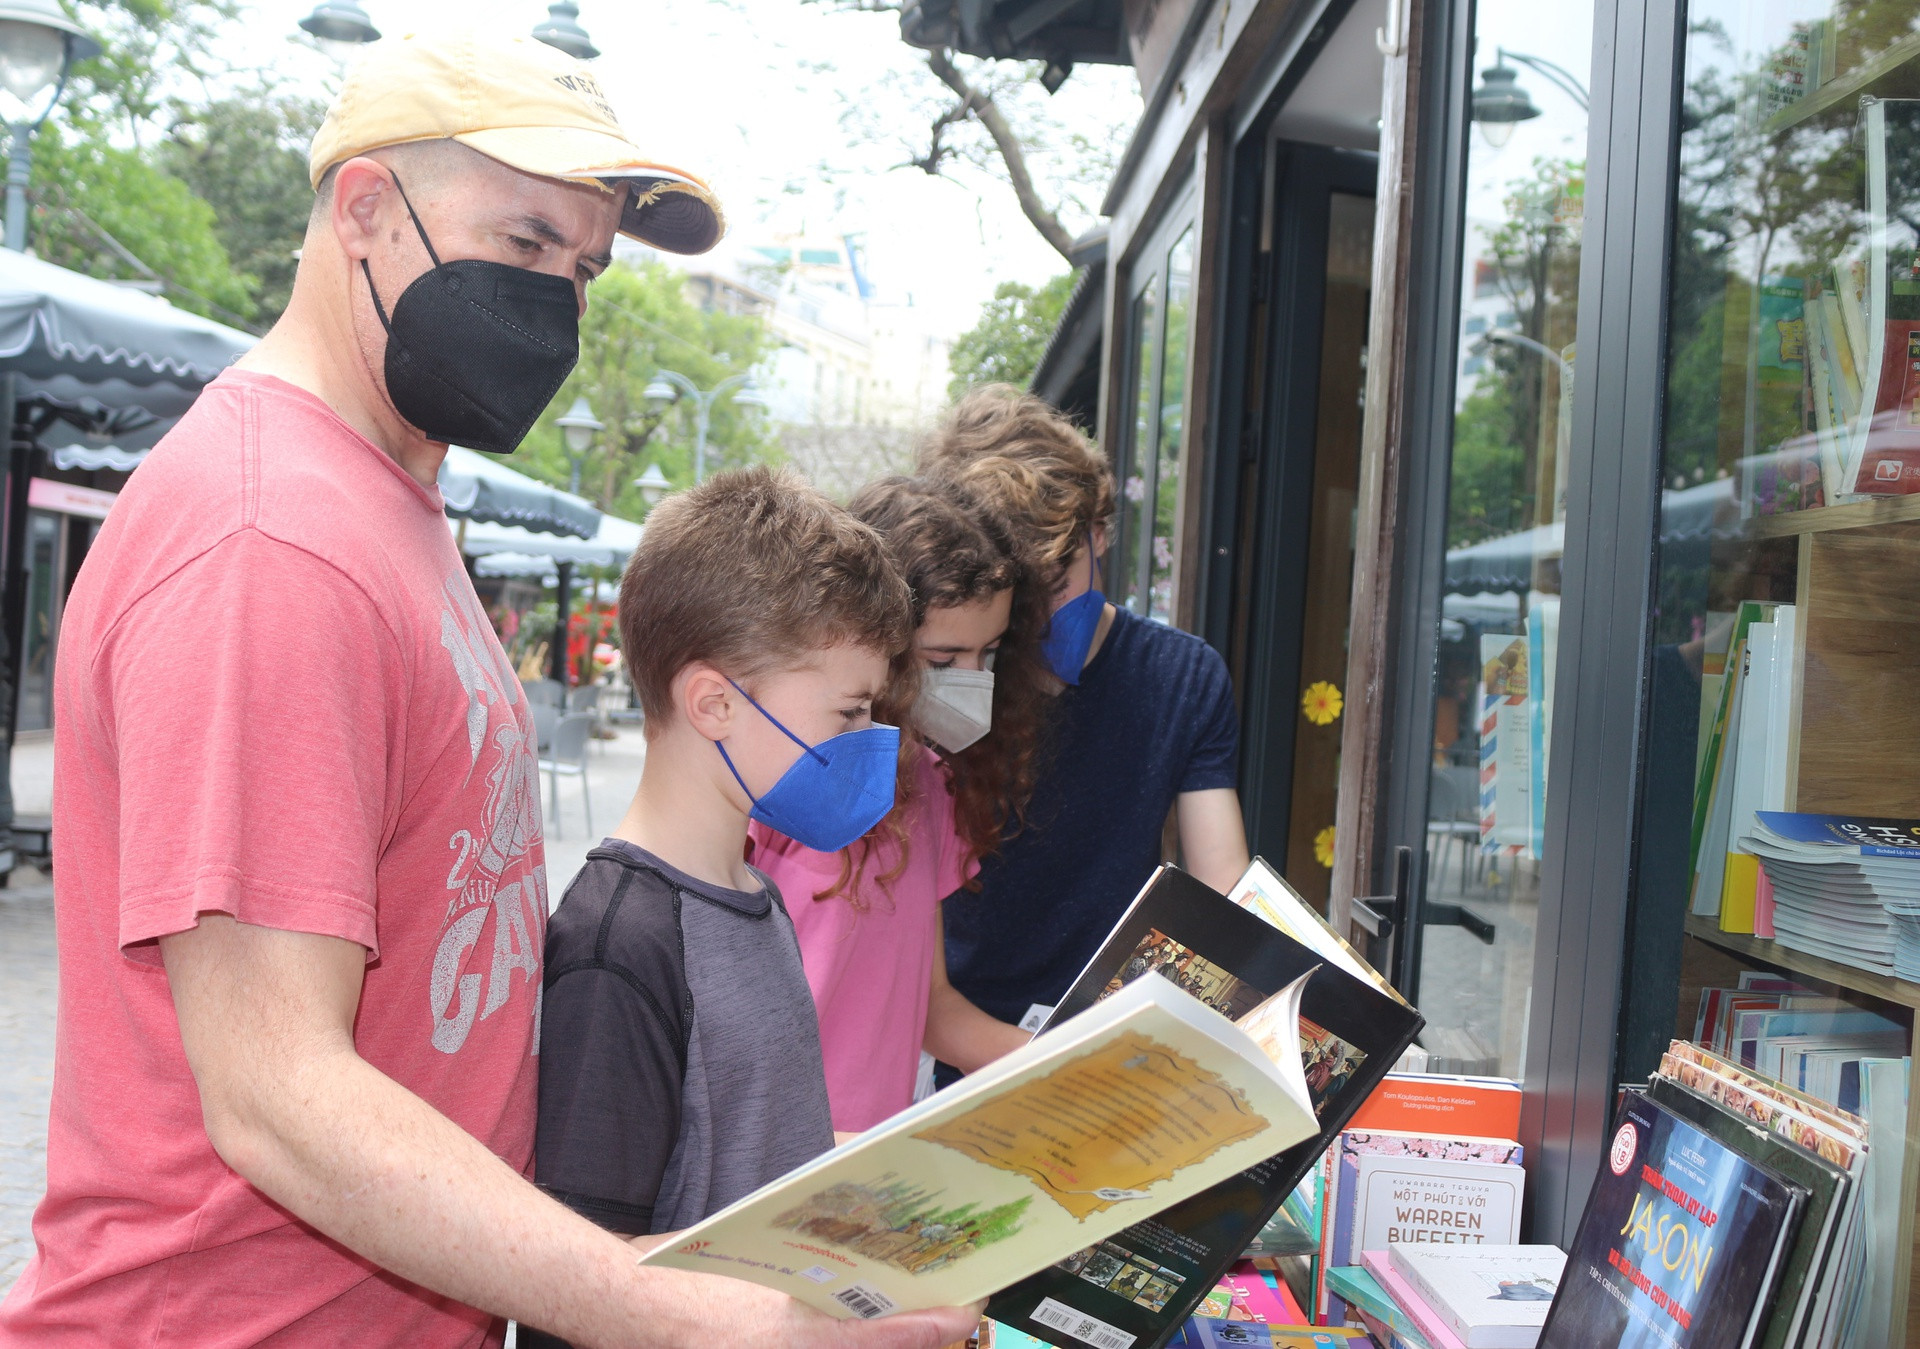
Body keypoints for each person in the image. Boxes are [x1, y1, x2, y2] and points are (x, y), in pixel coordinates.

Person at [0, 31, 974, 1349]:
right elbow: (278, 1094)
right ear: (363, 209)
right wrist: (696, 1320)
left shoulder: (386, 502)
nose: (556, 300)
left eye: (585, 267)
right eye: (524, 241)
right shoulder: (270, 540)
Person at [529, 468, 913, 1346]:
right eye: (849, 712)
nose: (869, 744)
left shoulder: (755, 895)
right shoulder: (619, 940)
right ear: (714, 703)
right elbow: (577, 1273)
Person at [921, 385, 1252, 1051]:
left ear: (1098, 534)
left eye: (1056, 583)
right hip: (971, 1052)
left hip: (1122, 1040)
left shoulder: (1182, 677)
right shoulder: (952, 682)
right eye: (1021, 595)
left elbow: (1226, 894)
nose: (1040, 617)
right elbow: (921, 991)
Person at [746, 476, 1048, 1131]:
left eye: (990, 653)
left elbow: (931, 1004)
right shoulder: (779, 777)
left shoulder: (932, 788)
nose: (973, 679)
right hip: (770, 1156)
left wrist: (1060, 1059)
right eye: (943, 658)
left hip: (863, 1159)